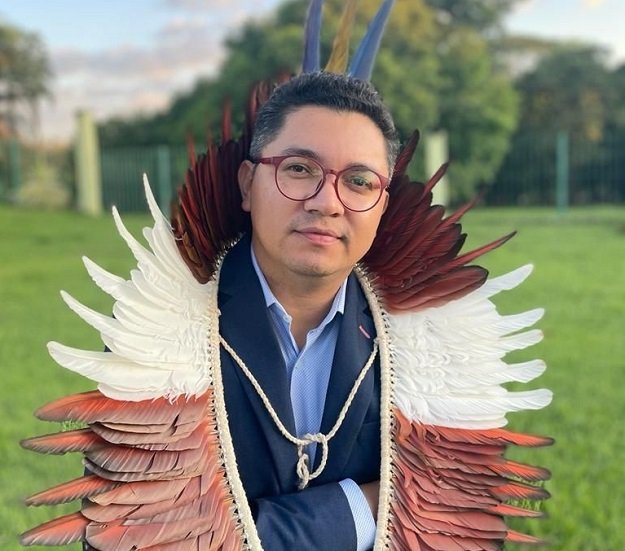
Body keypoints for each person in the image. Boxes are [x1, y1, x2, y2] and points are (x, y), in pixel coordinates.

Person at [217, 70, 398, 550]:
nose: (327, 203)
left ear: (382, 205)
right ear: (248, 184)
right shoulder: (159, 328)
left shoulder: (419, 334)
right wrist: (364, 508)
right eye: (299, 169)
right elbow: (137, 533)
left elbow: (453, 508)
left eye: (359, 181)